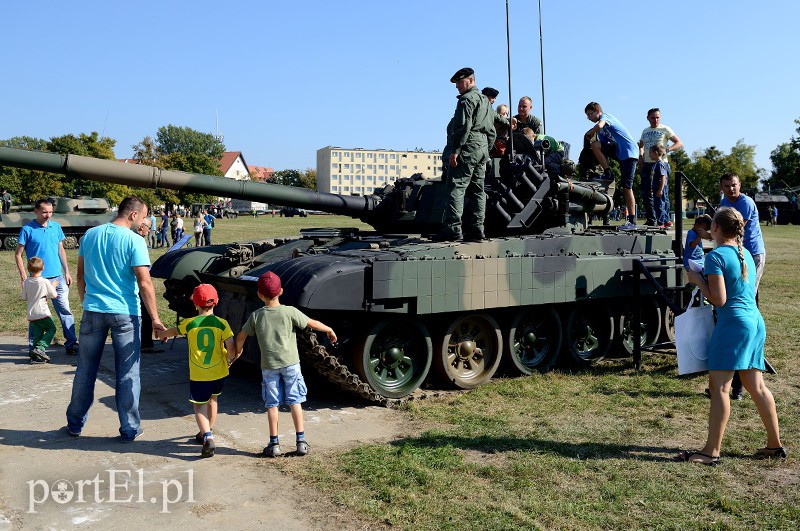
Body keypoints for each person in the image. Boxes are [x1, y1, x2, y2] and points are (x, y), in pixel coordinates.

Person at [680, 207, 784, 465]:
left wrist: (696, 280)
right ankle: (774, 446)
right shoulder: (745, 252)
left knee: (720, 388)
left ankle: (710, 452)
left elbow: (719, 299)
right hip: (754, 323)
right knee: (757, 387)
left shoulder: (716, 256)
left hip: (733, 327)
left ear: (715, 228)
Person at [65, 196, 166, 442]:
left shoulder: (90, 235)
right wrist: (155, 318)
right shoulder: (135, 241)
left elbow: (80, 276)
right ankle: (129, 428)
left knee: (85, 370)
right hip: (125, 314)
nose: (144, 223)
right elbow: (144, 282)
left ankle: (75, 424)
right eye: (143, 218)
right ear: (133, 215)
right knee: (128, 373)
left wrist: (86, 301)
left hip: (93, 310)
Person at [232, 272, 337, 458]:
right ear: (281, 291)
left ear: (259, 295)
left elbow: (241, 335)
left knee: (272, 404)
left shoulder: (256, 316)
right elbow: (311, 323)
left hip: (269, 367)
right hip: (291, 365)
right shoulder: (290, 312)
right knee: (295, 401)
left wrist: (238, 351)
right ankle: (301, 442)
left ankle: (274, 444)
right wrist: (329, 329)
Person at [156, 284, 234, 458]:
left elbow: (171, 332)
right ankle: (207, 431)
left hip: (199, 374)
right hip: (218, 372)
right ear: (216, 302)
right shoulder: (222, 324)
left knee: (199, 407)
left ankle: (207, 436)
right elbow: (231, 347)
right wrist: (230, 358)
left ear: (195, 304)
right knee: (213, 401)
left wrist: (161, 334)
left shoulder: (189, 324)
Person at [434, 67, 496, 242]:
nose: (457, 87)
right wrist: (486, 150)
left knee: (456, 187)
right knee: (478, 190)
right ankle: (478, 230)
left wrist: (456, 150)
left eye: (459, 82)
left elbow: (463, 127)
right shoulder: (485, 100)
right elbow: (491, 130)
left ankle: (453, 229)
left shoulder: (466, 100)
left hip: (468, 146)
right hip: (482, 147)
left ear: (470, 80)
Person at [15, 198, 79, 354]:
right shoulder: (27, 229)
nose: (48, 215)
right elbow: (18, 254)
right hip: (37, 280)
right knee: (36, 315)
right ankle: (34, 348)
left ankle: (71, 343)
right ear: (36, 211)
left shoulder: (56, 227)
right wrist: (24, 276)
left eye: (50, 212)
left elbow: (61, 250)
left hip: (58, 278)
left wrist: (67, 271)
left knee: (65, 311)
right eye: (44, 212)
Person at [584, 102, 639, 229]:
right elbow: (603, 149)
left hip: (629, 153)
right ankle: (608, 172)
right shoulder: (601, 132)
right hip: (619, 153)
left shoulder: (606, 117)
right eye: (587, 116)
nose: (589, 118)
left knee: (627, 188)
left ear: (597, 111)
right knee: (595, 145)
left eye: (590, 114)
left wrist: (591, 132)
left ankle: (632, 221)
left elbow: (600, 124)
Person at [638, 108, 684, 227]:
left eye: (657, 117)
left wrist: (667, 150)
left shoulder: (665, 129)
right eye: (653, 117)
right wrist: (640, 156)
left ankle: (665, 219)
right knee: (646, 192)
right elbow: (641, 145)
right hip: (647, 164)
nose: (655, 120)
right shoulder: (645, 131)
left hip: (660, 163)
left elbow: (679, 143)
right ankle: (651, 218)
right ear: (648, 118)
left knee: (662, 192)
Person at [21, 257, 59, 364]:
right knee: (52, 329)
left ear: (28, 268)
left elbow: (23, 297)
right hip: (43, 312)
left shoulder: (26, 282)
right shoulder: (44, 282)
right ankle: (40, 348)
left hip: (31, 314)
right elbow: (54, 295)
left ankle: (34, 355)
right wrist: (54, 286)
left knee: (37, 334)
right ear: (43, 268)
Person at [134, 217, 163, 354]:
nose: (149, 231)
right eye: (148, 228)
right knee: (146, 313)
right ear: (142, 227)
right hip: (137, 285)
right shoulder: (137, 240)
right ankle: (145, 343)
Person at [640, 145, 670, 226]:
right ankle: (662, 221)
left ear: (656, 153)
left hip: (660, 189)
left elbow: (663, 177)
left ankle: (661, 222)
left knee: (660, 205)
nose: (649, 155)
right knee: (657, 205)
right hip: (656, 188)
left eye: (650, 153)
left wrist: (660, 189)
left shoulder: (660, 164)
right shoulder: (656, 164)